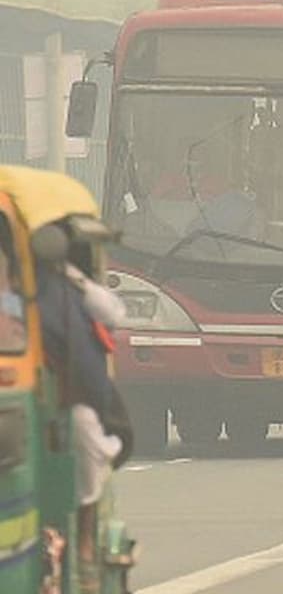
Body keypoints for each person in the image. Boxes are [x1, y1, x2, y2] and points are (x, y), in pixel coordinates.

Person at [32, 224, 132, 575]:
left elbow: (114, 314)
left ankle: (84, 536)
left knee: (84, 428)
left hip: (58, 397)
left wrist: (74, 279)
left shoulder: (62, 285)